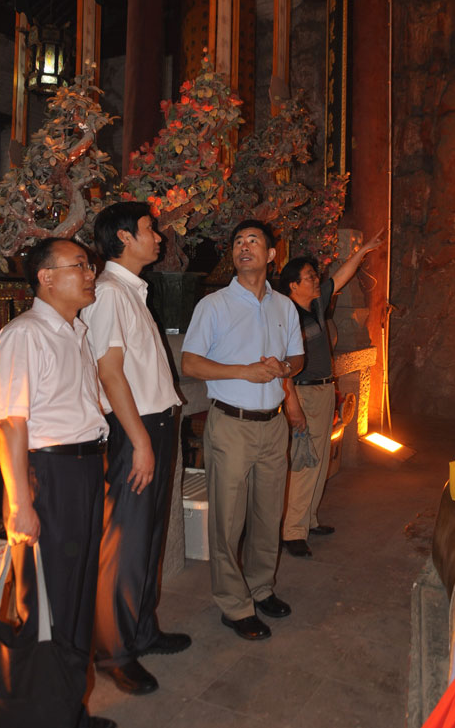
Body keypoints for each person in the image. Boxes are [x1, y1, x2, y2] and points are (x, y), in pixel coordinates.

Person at [0, 237, 115, 728]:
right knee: (47, 604)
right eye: (79, 265)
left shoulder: (75, 331)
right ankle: (42, 716)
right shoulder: (24, 334)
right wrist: (20, 504)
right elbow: (10, 423)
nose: (90, 274)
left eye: (89, 265)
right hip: (49, 476)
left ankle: (69, 710)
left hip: (83, 471)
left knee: (78, 598)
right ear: (45, 277)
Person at [81, 202, 190, 696]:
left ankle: (142, 630)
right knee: (124, 542)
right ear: (124, 237)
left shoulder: (131, 292)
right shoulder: (108, 292)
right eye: (150, 229)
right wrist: (141, 441)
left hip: (153, 426)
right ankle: (114, 652)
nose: (159, 237)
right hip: (133, 431)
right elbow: (109, 373)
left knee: (148, 536)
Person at [181, 220, 304, 641]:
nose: (244, 247)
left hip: (273, 425)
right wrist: (244, 371)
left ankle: (260, 588)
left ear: (271, 255)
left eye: (254, 241)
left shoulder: (284, 306)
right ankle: (234, 605)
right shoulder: (214, 305)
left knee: (269, 515)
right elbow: (190, 363)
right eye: (238, 242)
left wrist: (284, 368)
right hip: (231, 425)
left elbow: (297, 358)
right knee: (228, 521)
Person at [279, 229, 385, 557]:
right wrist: (292, 405)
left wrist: (364, 251)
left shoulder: (316, 305)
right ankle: (292, 532)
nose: (316, 280)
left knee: (321, 458)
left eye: (315, 276)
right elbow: (283, 367)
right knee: (304, 462)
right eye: (310, 277)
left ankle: (308, 520)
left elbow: (340, 277)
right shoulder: (287, 317)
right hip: (303, 394)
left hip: (324, 390)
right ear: (293, 285)